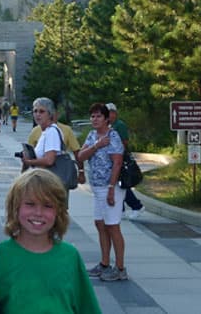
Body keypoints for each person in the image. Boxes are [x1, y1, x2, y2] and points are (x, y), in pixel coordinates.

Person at [0, 169, 102, 313]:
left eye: (48, 206)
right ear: (15, 207)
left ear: (59, 212)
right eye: (30, 204)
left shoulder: (70, 256)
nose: (38, 213)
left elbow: (87, 307)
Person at [78, 103, 127, 281]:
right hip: (96, 187)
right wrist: (97, 146)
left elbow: (117, 163)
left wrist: (111, 188)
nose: (95, 119)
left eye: (98, 116)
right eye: (92, 116)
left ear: (107, 118)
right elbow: (80, 156)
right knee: (100, 224)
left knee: (113, 226)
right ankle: (104, 263)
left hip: (110, 187)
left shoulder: (113, 136)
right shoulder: (92, 136)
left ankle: (120, 268)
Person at [106, 102, 145, 220]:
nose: (109, 115)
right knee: (117, 185)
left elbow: (124, 142)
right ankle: (121, 209)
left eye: (111, 113)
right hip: (111, 159)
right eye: (107, 113)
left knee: (122, 185)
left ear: (115, 113)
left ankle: (136, 205)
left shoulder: (119, 125)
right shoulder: (108, 126)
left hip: (120, 159)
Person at [28, 111, 85, 185]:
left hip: (60, 173)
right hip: (41, 174)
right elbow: (29, 152)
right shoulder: (36, 130)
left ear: (57, 114)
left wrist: (81, 172)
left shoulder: (66, 130)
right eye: (35, 111)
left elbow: (76, 151)